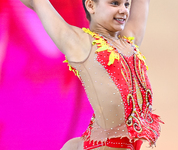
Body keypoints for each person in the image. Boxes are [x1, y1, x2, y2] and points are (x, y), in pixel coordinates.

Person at [20, 0, 164, 149]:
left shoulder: (129, 41)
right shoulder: (82, 44)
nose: (124, 10)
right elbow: (38, 2)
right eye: (115, 3)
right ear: (90, 5)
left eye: (127, 4)